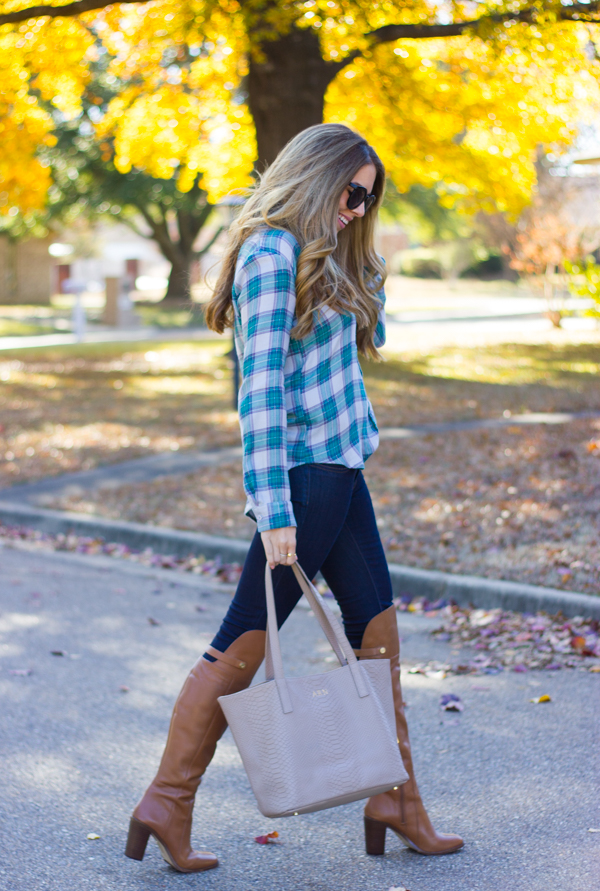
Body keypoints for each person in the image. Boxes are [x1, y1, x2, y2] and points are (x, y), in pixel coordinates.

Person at [124, 123, 464, 873]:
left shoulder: (320, 255)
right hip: (305, 481)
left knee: (379, 630)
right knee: (241, 641)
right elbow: (261, 394)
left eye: (366, 201)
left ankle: (396, 800)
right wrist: (273, 509)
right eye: (350, 194)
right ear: (315, 177)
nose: (355, 210)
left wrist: (358, 253)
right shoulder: (271, 255)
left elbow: (367, 339)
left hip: (342, 469)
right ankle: (167, 799)